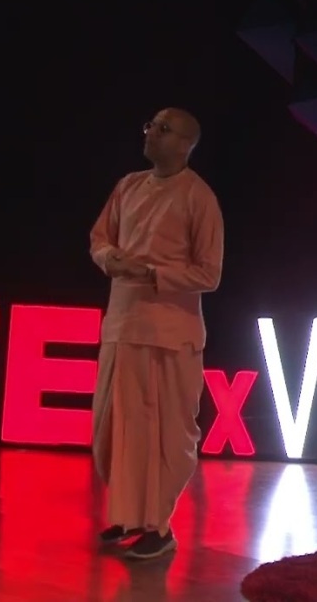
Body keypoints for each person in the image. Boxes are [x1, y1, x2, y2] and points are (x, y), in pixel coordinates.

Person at [88, 107, 224, 560]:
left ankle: (159, 528)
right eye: (150, 125)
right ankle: (129, 516)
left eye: (163, 129)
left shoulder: (198, 197)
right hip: (123, 326)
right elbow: (99, 239)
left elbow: (208, 273)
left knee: (165, 436)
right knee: (114, 429)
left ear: (185, 144)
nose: (150, 132)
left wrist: (151, 274)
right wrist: (110, 259)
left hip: (169, 333)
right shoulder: (128, 186)